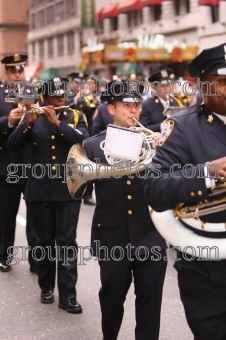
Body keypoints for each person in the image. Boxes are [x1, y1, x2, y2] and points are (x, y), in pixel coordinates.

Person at [143, 42, 226, 340]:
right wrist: (205, 173)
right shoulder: (180, 126)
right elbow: (154, 188)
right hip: (208, 271)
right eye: (223, 82)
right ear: (204, 85)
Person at [82, 81, 167, 340]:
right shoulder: (93, 146)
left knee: (150, 303)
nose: (133, 112)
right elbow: (77, 186)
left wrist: (163, 151)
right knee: (112, 296)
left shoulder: (156, 144)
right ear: (111, 108)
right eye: (126, 106)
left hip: (150, 234)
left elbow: (168, 185)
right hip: (112, 236)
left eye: (137, 106)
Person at [7, 77, 89, 313]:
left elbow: (84, 141)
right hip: (39, 191)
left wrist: (58, 126)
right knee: (44, 242)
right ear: (44, 98)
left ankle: (68, 295)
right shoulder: (31, 117)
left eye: (63, 95)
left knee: (66, 242)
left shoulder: (75, 117)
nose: (60, 99)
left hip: (68, 190)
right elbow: (13, 145)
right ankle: (46, 287)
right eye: (55, 96)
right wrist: (26, 125)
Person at [0, 53, 38, 273]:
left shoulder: (34, 94)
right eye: (13, 71)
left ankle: (36, 258)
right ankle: (4, 254)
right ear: (6, 73)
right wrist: (9, 121)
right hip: (7, 164)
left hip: (32, 163)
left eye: (20, 70)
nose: (17, 74)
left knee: (36, 212)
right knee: (6, 212)